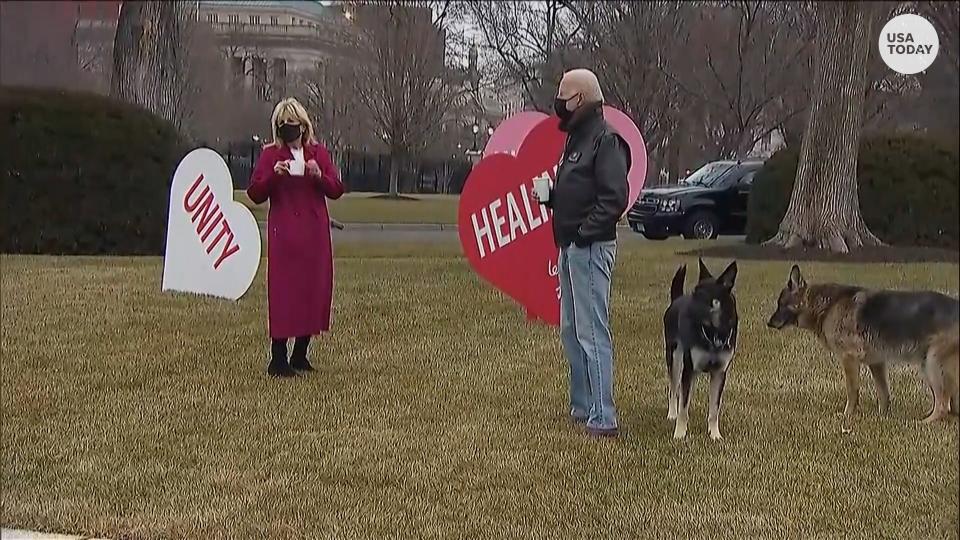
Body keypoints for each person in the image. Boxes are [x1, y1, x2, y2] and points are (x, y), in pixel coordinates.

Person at [535, 69, 630, 437]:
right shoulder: (576, 139)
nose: (559, 103)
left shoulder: (605, 141)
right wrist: (553, 199)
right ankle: (583, 404)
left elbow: (613, 198)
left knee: (593, 331)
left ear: (582, 99)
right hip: (570, 246)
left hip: (589, 248)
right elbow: (580, 189)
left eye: (565, 96)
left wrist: (583, 234)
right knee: (572, 329)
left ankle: (604, 415)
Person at [247, 98, 345, 377]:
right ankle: (278, 357)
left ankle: (301, 352)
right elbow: (255, 193)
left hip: (314, 232)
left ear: (304, 127)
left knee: (313, 289)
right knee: (284, 292)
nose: (291, 133)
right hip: (285, 232)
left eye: (295, 126)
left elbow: (336, 188)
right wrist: (274, 177)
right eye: (284, 127)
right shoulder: (270, 156)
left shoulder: (318, 153)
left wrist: (318, 175)